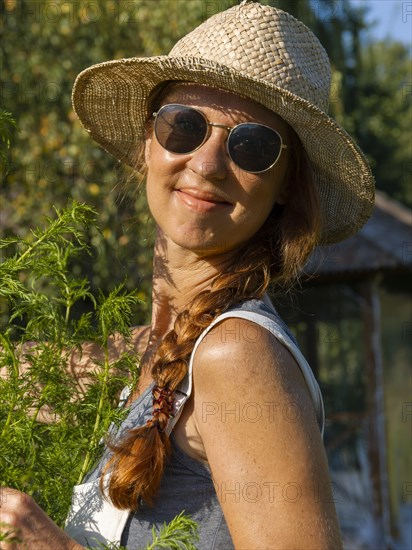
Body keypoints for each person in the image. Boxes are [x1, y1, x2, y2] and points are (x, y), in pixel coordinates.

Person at [0, 1, 374, 548]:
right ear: (146, 143)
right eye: (184, 126)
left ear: (287, 185)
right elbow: (27, 374)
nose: (207, 164)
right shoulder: (153, 350)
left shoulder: (236, 354)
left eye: (253, 146)